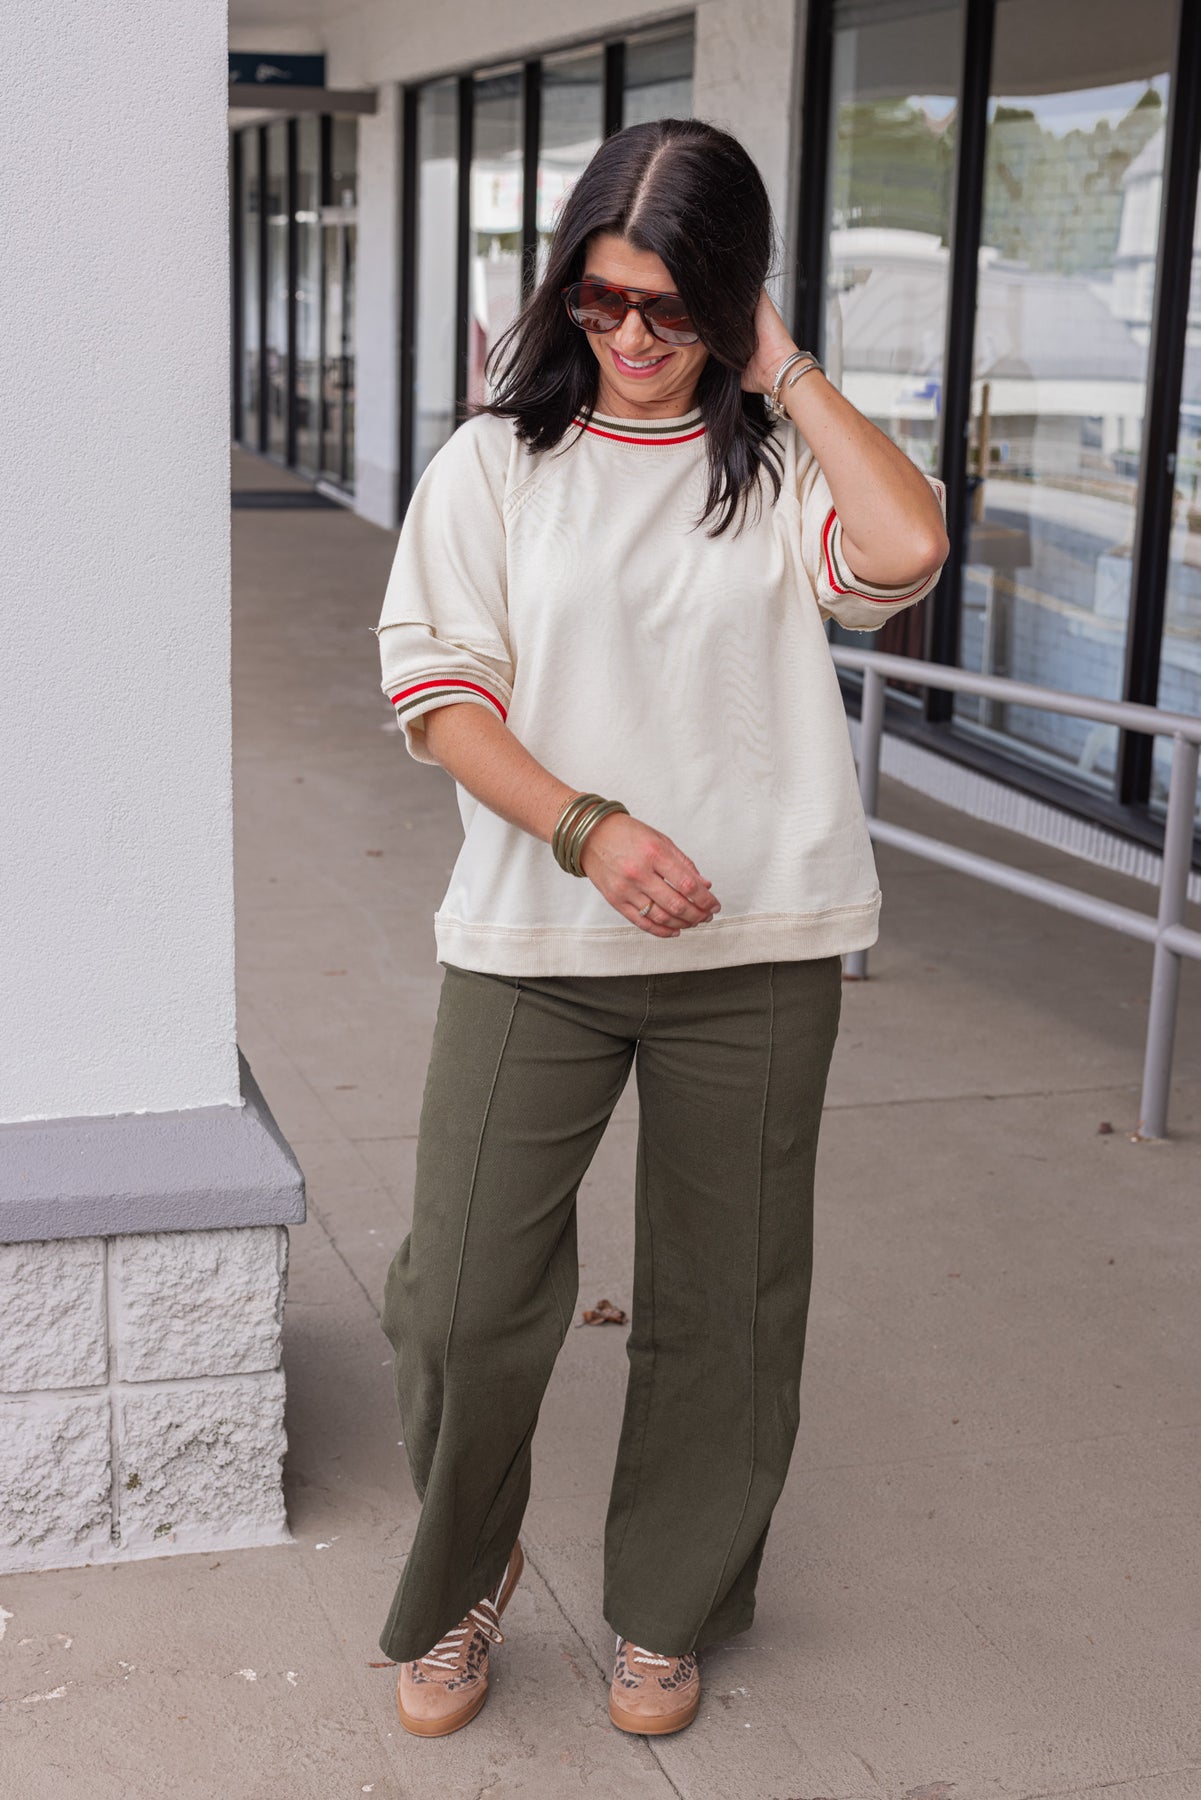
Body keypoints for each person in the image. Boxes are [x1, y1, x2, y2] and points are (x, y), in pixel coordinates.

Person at [373, 116, 948, 1740]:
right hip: (531, 947)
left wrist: (781, 370)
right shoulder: (495, 465)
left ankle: (666, 1606)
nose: (630, 336)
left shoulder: (773, 469)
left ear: (732, 298)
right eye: (603, 298)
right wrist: (588, 828)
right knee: (461, 1297)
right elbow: (439, 698)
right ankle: (466, 1572)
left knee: (725, 1305)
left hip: (755, 949)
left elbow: (905, 550)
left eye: (672, 307)